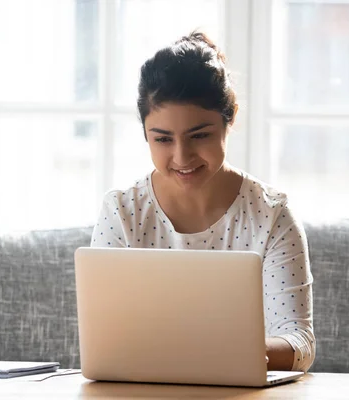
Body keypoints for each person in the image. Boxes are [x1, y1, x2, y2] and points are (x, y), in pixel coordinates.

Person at [91, 31, 315, 372]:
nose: (182, 157)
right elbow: (102, 339)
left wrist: (219, 352)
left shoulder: (271, 216)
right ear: (145, 134)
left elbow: (299, 343)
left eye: (200, 136)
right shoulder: (122, 212)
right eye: (163, 139)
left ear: (231, 118)